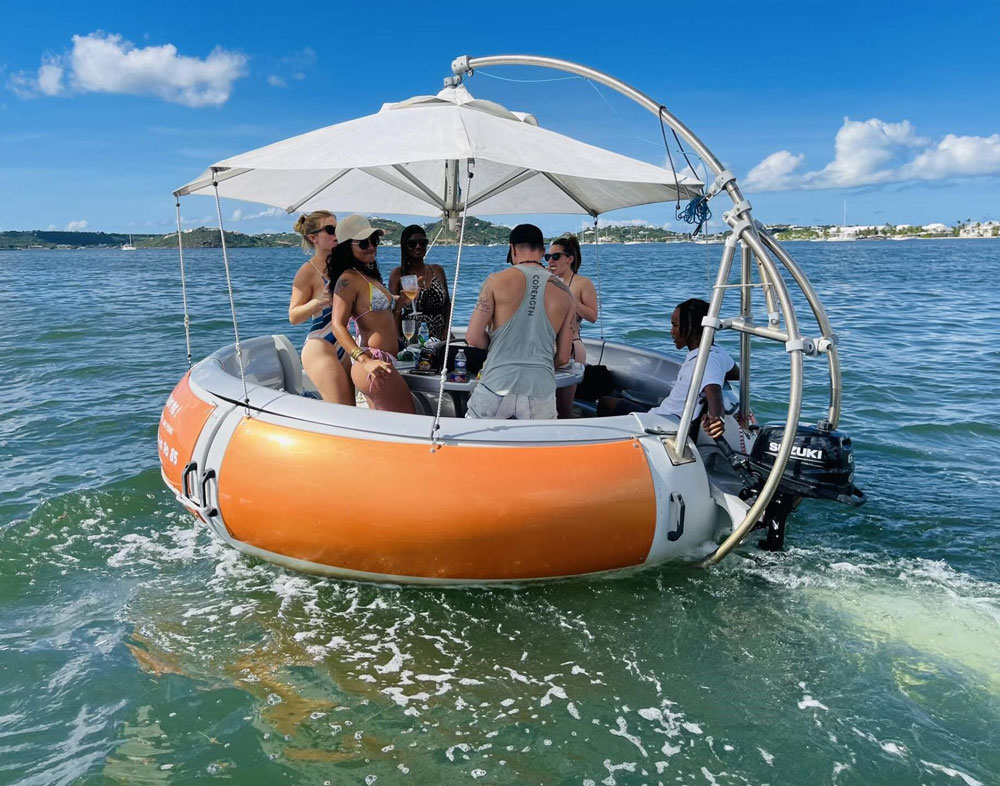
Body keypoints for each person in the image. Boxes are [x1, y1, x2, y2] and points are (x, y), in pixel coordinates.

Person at [465, 224, 576, 420]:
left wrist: (494, 345)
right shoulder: (565, 293)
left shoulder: (496, 281)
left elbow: (473, 338)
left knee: (477, 447)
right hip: (540, 389)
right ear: (542, 252)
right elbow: (563, 357)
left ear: (512, 248)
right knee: (537, 449)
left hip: (497, 383)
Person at [597, 298, 738, 439]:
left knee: (605, 402)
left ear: (693, 327)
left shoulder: (706, 361)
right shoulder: (717, 352)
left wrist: (717, 419)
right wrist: (715, 374)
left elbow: (714, 394)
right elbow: (736, 374)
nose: (671, 331)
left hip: (663, 422)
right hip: (665, 413)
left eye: (675, 326)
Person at [328, 215, 416, 414]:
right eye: (364, 243)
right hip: (372, 362)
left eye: (374, 241)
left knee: (390, 430)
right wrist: (365, 361)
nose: (371, 247)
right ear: (346, 247)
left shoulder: (366, 277)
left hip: (381, 362)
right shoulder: (348, 279)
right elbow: (337, 325)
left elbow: (381, 318)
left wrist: (400, 303)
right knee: (409, 424)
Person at [287, 211, 354, 405]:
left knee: (353, 412)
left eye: (338, 229)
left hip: (344, 343)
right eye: (331, 230)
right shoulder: (308, 271)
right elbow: (293, 317)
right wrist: (318, 301)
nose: (336, 235)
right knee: (343, 412)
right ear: (313, 237)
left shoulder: (342, 266)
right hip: (320, 345)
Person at [545, 234, 598, 418]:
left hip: (572, 346)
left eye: (555, 256)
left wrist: (570, 299)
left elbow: (592, 316)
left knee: (563, 407)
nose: (551, 260)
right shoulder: (546, 281)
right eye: (548, 257)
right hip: (547, 347)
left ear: (569, 259)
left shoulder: (582, 283)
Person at [388, 225, 451, 341]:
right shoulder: (398, 274)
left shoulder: (437, 270)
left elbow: (447, 304)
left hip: (439, 336)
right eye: (412, 243)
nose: (418, 246)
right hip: (411, 336)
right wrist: (397, 339)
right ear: (405, 246)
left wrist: (446, 331)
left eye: (422, 242)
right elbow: (394, 310)